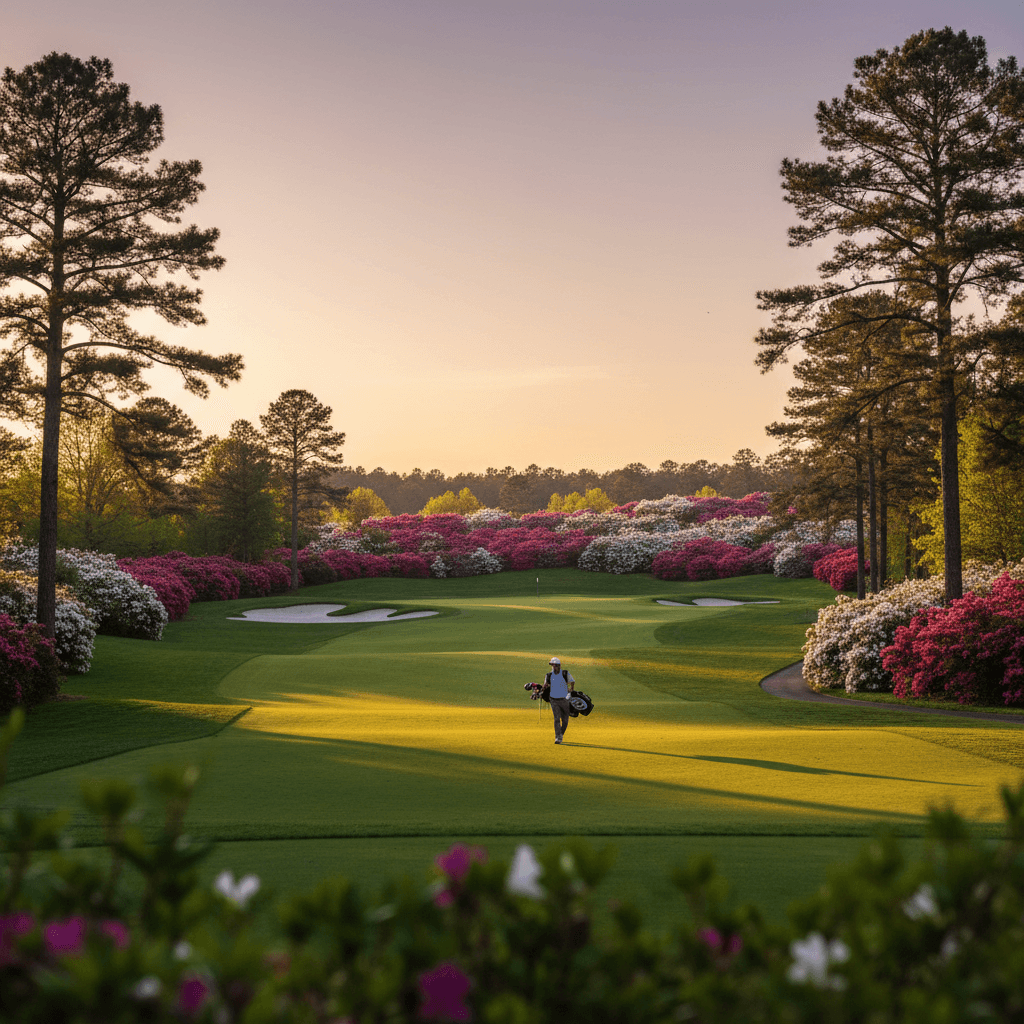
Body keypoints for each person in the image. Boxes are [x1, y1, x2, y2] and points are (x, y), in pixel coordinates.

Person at [545, 656, 575, 744]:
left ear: (559, 666)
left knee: (565, 720)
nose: (554, 667)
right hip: (553, 699)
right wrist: (538, 690)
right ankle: (558, 737)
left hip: (564, 699)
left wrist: (571, 688)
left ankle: (560, 734)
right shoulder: (549, 675)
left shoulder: (565, 673)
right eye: (552, 666)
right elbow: (545, 685)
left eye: (555, 666)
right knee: (556, 718)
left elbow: (572, 681)